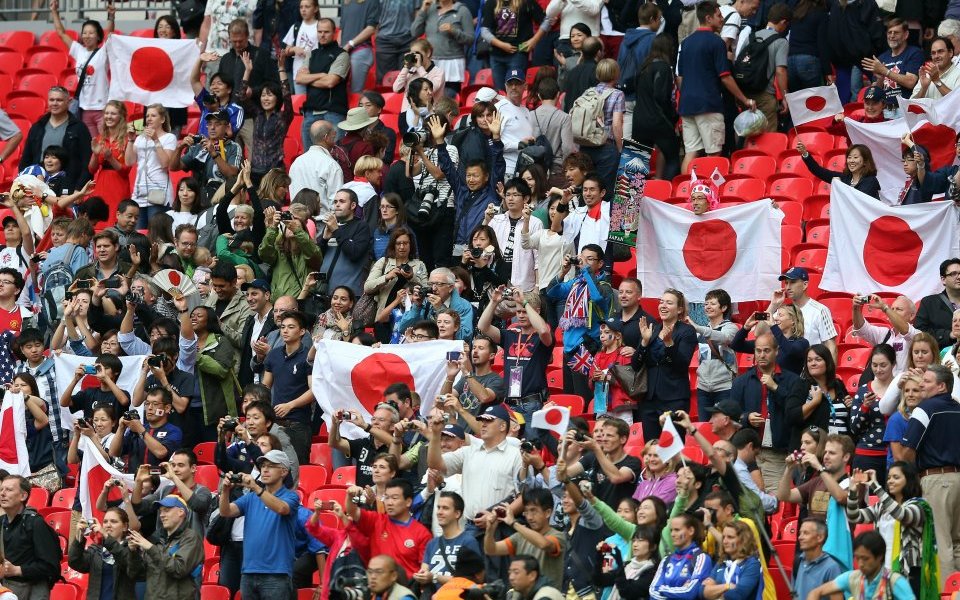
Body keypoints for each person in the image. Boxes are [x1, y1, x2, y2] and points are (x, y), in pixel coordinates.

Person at [677, 1, 754, 174]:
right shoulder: (716, 42)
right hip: (709, 104)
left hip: (687, 105)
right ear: (708, 17)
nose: (722, 20)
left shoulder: (686, 43)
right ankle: (710, 197)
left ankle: (683, 195)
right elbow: (725, 77)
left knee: (691, 153)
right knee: (714, 154)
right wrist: (744, 99)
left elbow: (680, 76)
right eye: (719, 16)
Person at [900, 364, 960, 579]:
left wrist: (910, 477)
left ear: (941, 386)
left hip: (936, 480)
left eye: (927, 381)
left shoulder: (924, 409)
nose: (921, 385)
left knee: (940, 540)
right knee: (958, 542)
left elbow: (907, 451)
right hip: (958, 479)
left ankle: (946, 593)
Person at [845, 462, 937, 600]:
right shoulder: (882, 506)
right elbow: (854, 516)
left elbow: (901, 514)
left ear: (909, 480)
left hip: (907, 572)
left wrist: (876, 486)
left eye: (896, 477)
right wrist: (852, 492)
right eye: (888, 478)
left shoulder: (919, 506)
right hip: (883, 570)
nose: (890, 481)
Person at [219, 450, 301, 599]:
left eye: (270, 466)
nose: (265, 469)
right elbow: (225, 511)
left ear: (283, 471)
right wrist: (225, 491)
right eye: (263, 465)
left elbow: (282, 508)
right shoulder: (251, 497)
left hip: (277, 573)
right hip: (249, 572)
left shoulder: (291, 496)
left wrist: (256, 488)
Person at [427, 403, 524, 523]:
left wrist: (495, 517)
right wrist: (436, 435)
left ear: (503, 426)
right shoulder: (468, 452)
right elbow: (435, 464)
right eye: (482, 421)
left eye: (489, 421)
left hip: (500, 526)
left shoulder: (516, 455)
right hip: (470, 526)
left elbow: (524, 497)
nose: (483, 424)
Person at [633, 289, 696, 439]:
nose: (663, 305)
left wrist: (669, 344)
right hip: (649, 399)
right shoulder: (652, 329)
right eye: (661, 302)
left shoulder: (686, 331)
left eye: (669, 302)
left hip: (674, 399)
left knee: (672, 448)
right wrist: (644, 342)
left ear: (679, 309)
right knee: (651, 447)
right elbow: (635, 365)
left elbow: (681, 365)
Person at [344, 478, 432, 578]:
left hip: (405, 589)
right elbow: (352, 511)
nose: (389, 503)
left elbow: (424, 570)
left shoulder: (422, 533)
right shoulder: (376, 521)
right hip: (376, 587)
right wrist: (350, 495)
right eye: (387, 497)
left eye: (394, 498)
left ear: (408, 502)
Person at [484, 487, 567, 589]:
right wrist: (490, 530)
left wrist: (513, 522)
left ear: (548, 512)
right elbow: (491, 550)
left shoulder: (558, 536)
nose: (529, 517)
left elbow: (544, 544)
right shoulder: (520, 537)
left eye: (533, 511)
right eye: (526, 512)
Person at [125, 494, 204, 600]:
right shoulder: (156, 539)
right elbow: (137, 574)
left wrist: (150, 548)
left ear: (181, 512)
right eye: (161, 511)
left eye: (166, 510)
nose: (161, 515)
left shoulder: (191, 537)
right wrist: (133, 552)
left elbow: (178, 569)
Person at [263, 311, 315, 464]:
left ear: (302, 331)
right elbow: (265, 387)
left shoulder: (308, 357)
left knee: (298, 468)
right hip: (275, 423)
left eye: (291, 327)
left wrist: (290, 405)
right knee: (272, 466)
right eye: (283, 327)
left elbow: (314, 391)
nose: (285, 330)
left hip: (298, 424)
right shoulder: (273, 355)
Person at [18, 86, 93, 192]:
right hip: (37, 185)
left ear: (68, 102)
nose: (55, 103)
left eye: (59, 100)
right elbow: (26, 159)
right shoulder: (37, 127)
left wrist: (79, 188)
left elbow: (87, 162)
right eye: (52, 100)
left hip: (67, 186)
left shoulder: (79, 128)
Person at [563, 416, 643, 511]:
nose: (604, 439)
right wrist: (564, 448)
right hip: (598, 518)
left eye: (609, 435)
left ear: (623, 439)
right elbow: (564, 475)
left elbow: (616, 477)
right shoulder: (595, 456)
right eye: (603, 435)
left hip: (619, 519)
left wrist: (596, 449)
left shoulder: (633, 462)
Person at [0, 476, 62, 599]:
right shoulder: (1, 522)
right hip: (6, 590)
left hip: (33, 591)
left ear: (23, 496)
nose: (2, 493)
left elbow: (51, 567)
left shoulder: (36, 523)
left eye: (9, 490)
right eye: (1, 489)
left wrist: (17, 570)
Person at [806, 531, 916, 600]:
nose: (860, 564)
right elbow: (816, 592)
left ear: (879, 557)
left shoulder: (895, 582)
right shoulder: (853, 577)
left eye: (865, 559)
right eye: (857, 558)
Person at [295, 18, 350, 148]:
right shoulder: (312, 54)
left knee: (335, 155)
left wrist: (309, 79)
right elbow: (299, 79)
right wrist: (321, 75)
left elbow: (330, 82)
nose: (322, 35)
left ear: (334, 33)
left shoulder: (342, 54)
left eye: (326, 32)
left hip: (333, 112)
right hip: (310, 112)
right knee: (309, 157)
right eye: (319, 31)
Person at [633, 34, 681, 181]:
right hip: (658, 120)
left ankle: (629, 203)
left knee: (636, 163)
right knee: (673, 157)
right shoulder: (663, 67)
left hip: (639, 121)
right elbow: (661, 97)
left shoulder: (643, 67)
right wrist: (673, 117)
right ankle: (665, 197)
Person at [739, 4, 791, 133]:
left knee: (747, 133)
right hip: (765, 95)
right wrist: (785, 97)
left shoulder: (751, 36)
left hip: (745, 94)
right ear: (783, 22)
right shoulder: (781, 42)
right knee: (767, 136)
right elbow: (780, 71)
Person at [109, 386, 183, 472]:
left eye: (155, 404)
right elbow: (113, 453)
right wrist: (121, 428)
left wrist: (140, 429)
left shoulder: (173, 431)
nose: (150, 408)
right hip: (135, 481)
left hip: (161, 481)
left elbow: (161, 453)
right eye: (147, 404)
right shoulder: (136, 429)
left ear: (167, 408)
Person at [849, 345, 896, 481]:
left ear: (893, 364)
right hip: (866, 455)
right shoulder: (863, 390)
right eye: (874, 365)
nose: (878, 370)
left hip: (895, 454)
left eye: (883, 365)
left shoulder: (902, 388)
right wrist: (864, 407)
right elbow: (854, 428)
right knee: (864, 500)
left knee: (892, 501)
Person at [68, 508, 137, 599]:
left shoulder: (131, 548)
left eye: (113, 521)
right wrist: (79, 535)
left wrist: (106, 536)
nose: (108, 525)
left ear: (124, 526)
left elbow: (132, 568)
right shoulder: (96, 550)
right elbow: (74, 562)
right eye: (105, 522)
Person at [862, 18, 923, 118]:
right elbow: (875, 92)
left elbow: (910, 82)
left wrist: (885, 71)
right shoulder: (882, 58)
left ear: (906, 35)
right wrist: (880, 79)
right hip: (885, 111)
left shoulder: (914, 53)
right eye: (889, 32)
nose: (892, 36)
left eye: (896, 33)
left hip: (906, 111)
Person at [317, 188, 372, 298]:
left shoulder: (361, 226)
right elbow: (318, 258)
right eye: (335, 202)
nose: (337, 205)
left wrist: (336, 231)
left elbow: (354, 253)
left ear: (353, 205)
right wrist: (323, 240)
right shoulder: (330, 226)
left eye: (342, 201)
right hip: (325, 292)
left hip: (349, 294)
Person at [649, 513, 713, 599]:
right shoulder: (666, 560)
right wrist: (679, 590)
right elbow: (652, 591)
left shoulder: (701, 558)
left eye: (677, 530)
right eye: (671, 530)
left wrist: (662, 589)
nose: (672, 534)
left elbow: (690, 593)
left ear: (691, 531)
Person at [778, 268, 837, 358]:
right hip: (786, 368)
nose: (788, 287)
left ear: (805, 285)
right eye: (786, 283)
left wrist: (830, 371)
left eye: (793, 282)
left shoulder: (820, 310)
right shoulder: (782, 312)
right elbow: (759, 333)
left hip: (810, 368)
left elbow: (831, 346)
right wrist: (773, 305)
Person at [289, 120, 344, 216]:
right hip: (323, 224)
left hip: (297, 220)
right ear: (326, 138)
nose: (335, 141)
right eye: (333, 137)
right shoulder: (331, 165)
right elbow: (336, 201)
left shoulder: (296, 162)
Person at [852, 294, 917, 374]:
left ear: (912, 315)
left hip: (903, 385)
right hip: (882, 384)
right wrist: (856, 308)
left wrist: (884, 307)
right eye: (892, 309)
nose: (893, 312)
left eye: (899, 309)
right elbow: (861, 328)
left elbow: (906, 330)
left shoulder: (917, 335)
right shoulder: (885, 334)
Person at [701, 520, 762, 600]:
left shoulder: (752, 564)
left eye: (730, 537)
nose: (725, 541)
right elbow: (702, 592)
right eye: (723, 537)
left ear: (743, 540)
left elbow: (738, 595)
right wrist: (727, 586)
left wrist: (714, 591)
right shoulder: (722, 562)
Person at [797, 142, 880, 199]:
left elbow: (857, 200)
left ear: (865, 162)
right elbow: (818, 171)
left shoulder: (871, 180)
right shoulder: (844, 178)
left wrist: (839, 186)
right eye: (849, 157)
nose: (851, 161)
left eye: (855, 157)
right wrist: (805, 153)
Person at [794, 518, 845, 600]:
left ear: (820, 538)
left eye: (806, 533)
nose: (800, 537)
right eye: (800, 533)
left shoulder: (832, 568)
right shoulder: (798, 561)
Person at [915, 257, 960, 351]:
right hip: (940, 360)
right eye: (953, 274)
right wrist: (949, 335)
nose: (959, 277)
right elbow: (919, 332)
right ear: (943, 279)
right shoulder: (929, 303)